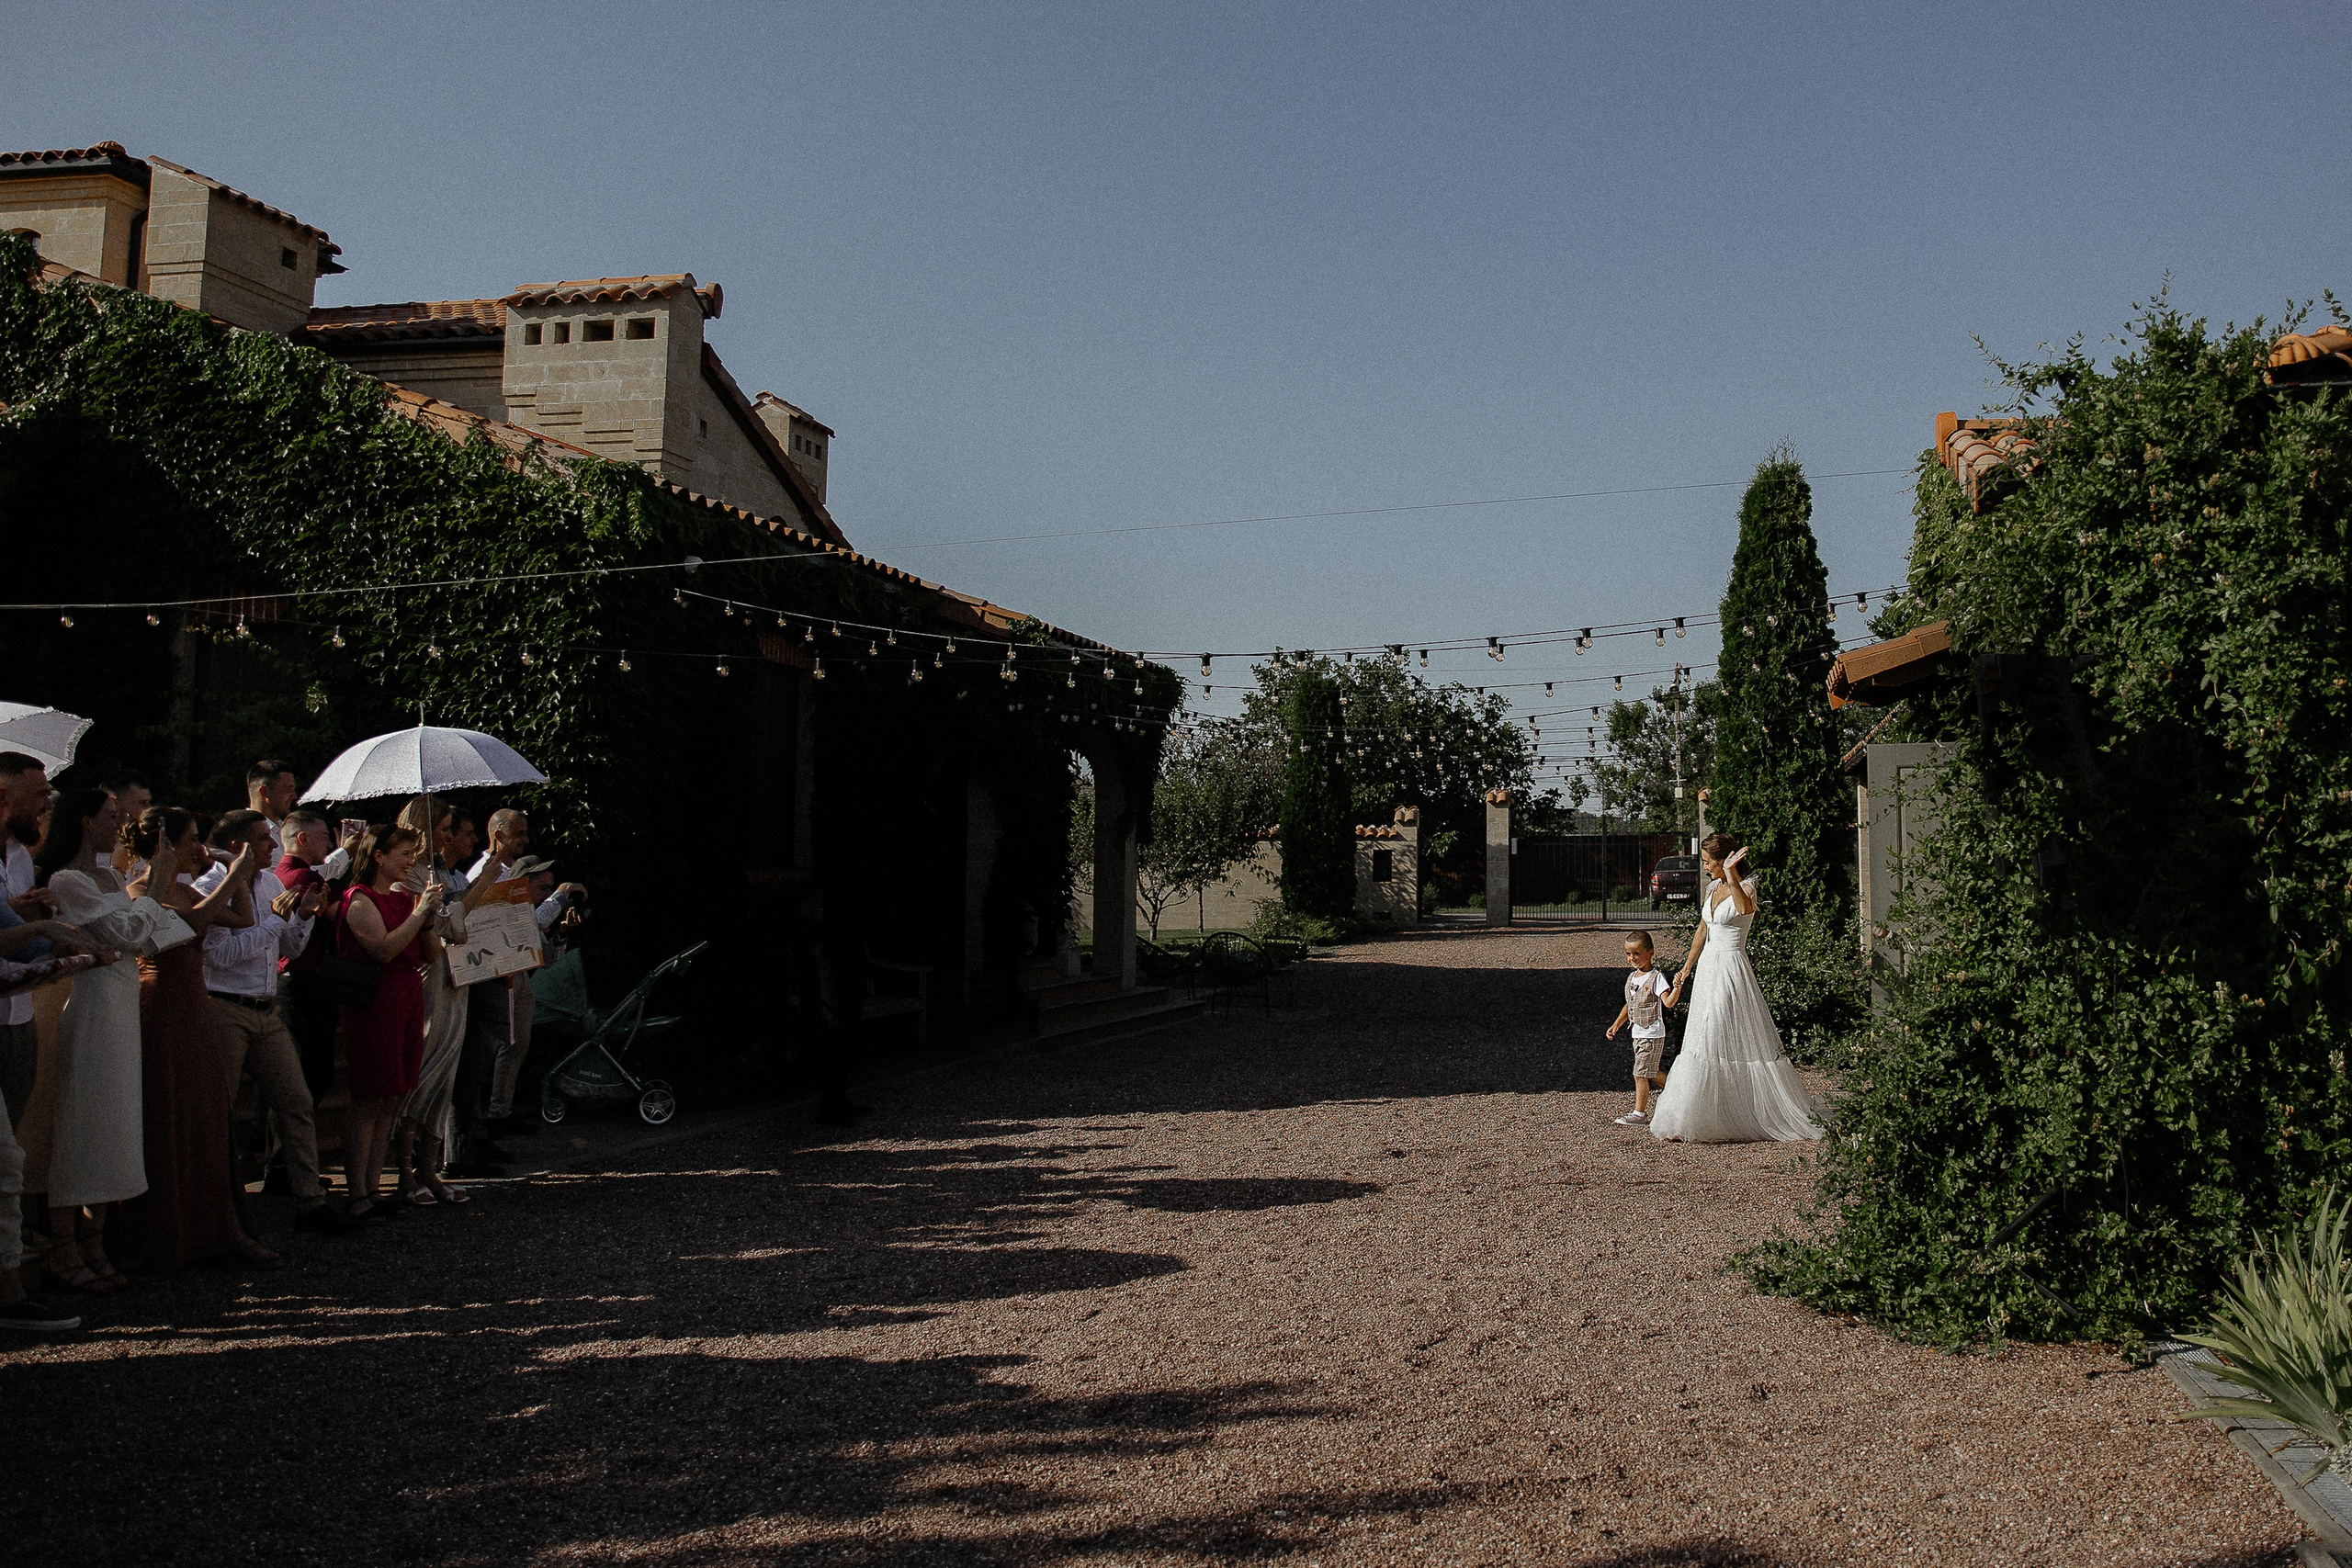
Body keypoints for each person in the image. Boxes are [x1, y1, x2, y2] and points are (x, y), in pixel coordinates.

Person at [109, 809, 283, 1270]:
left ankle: (219, 1225)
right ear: (165, 845)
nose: (199, 848)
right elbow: (189, 927)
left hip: (194, 1002)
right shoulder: (137, 892)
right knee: (167, 1110)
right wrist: (234, 873)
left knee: (207, 1109)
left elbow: (244, 919)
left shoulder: (186, 887)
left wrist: (235, 872)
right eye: (191, 840)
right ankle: (167, 1231)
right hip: (161, 1003)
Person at [187, 809, 355, 1235]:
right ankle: (215, 1208)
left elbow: (290, 951)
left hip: (266, 1008)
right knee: (218, 1108)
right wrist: (277, 921)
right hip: (225, 1006)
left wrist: (302, 918)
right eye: (264, 839)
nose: (273, 845)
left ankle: (310, 1201)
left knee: (296, 1101)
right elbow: (219, 956)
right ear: (241, 846)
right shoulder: (209, 888)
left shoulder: (271, 883)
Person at [29, 787, 164, 1292]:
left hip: (123, 1002)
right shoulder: (68, 878)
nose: (120, 822)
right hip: (90, 1008)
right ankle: (63, 1246)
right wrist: (155, 889)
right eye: (111, 815)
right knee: (82, 1126)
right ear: (85, 822)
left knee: (117, 1125)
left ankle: (96, 1240)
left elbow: (143, 935)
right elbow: (129, 934)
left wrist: (142, 912)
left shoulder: (112, 876)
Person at [1650, 834, 1823, 1144]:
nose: (1705, 868)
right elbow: (1703, 930)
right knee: (1702, 1036)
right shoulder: (1712, 888)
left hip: (1731, 967)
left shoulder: (1746, 886)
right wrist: (1686, 970)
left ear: (1725, 860)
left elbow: (1745, 910)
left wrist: (1731, 873)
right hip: (1708, 969)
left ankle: (1736, 1114)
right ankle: (1696, 1115)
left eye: (1708, 862)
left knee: (1718, 1029)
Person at [334, 825, 444, 1221]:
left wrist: (428, 917)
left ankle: (375, 1185)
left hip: (407, 996)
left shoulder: (406, 900)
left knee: (392, 1097)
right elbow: (382, 949)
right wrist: (418, 913)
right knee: (369, 1097)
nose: (411, 862)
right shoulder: (359, 899)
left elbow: (430, 955)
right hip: (375, 1001)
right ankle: (357, 1191)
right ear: (379, 857)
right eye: (404, 854)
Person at [391, 796, 483, 1205]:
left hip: (456, 974)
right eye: (444, 827)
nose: (448, 835)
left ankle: (429, 1167)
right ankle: (405, 1172)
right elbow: (448, 924)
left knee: (447, 1066)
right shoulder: (410, 874)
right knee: (425, 1065)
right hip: (430, 976)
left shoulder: (440, 872)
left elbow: (455, 926)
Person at [273, 809, 350, 1116]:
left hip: (288, 979)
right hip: (306, 979)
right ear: (302, 839)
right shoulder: (305, 877)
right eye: (323, 837)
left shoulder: (278, 875)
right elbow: (334, 915)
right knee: (312, 1070)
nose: (329, 845)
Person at [1, 752, 55, 1117]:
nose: (46, 805)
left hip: (19, 1012)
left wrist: (34, 910)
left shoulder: (20, 855)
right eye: (38, 794)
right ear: (4, 798)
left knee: (11, 1137)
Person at [1605, 931, 1675, 1127]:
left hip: (1652, 1033)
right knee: (1650, 1072)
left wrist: (1676, 987)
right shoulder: (1633, 977)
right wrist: (1617, 1024)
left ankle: (1639, 1114)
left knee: (1640, 1073)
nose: (1632, 958)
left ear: (1650, 952)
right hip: (1638, 1032)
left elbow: (1668, 1002)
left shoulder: (1656, 978)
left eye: (1637, 953)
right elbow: (1630, 1004)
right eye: (1628, 954)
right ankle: (1681, 1095)